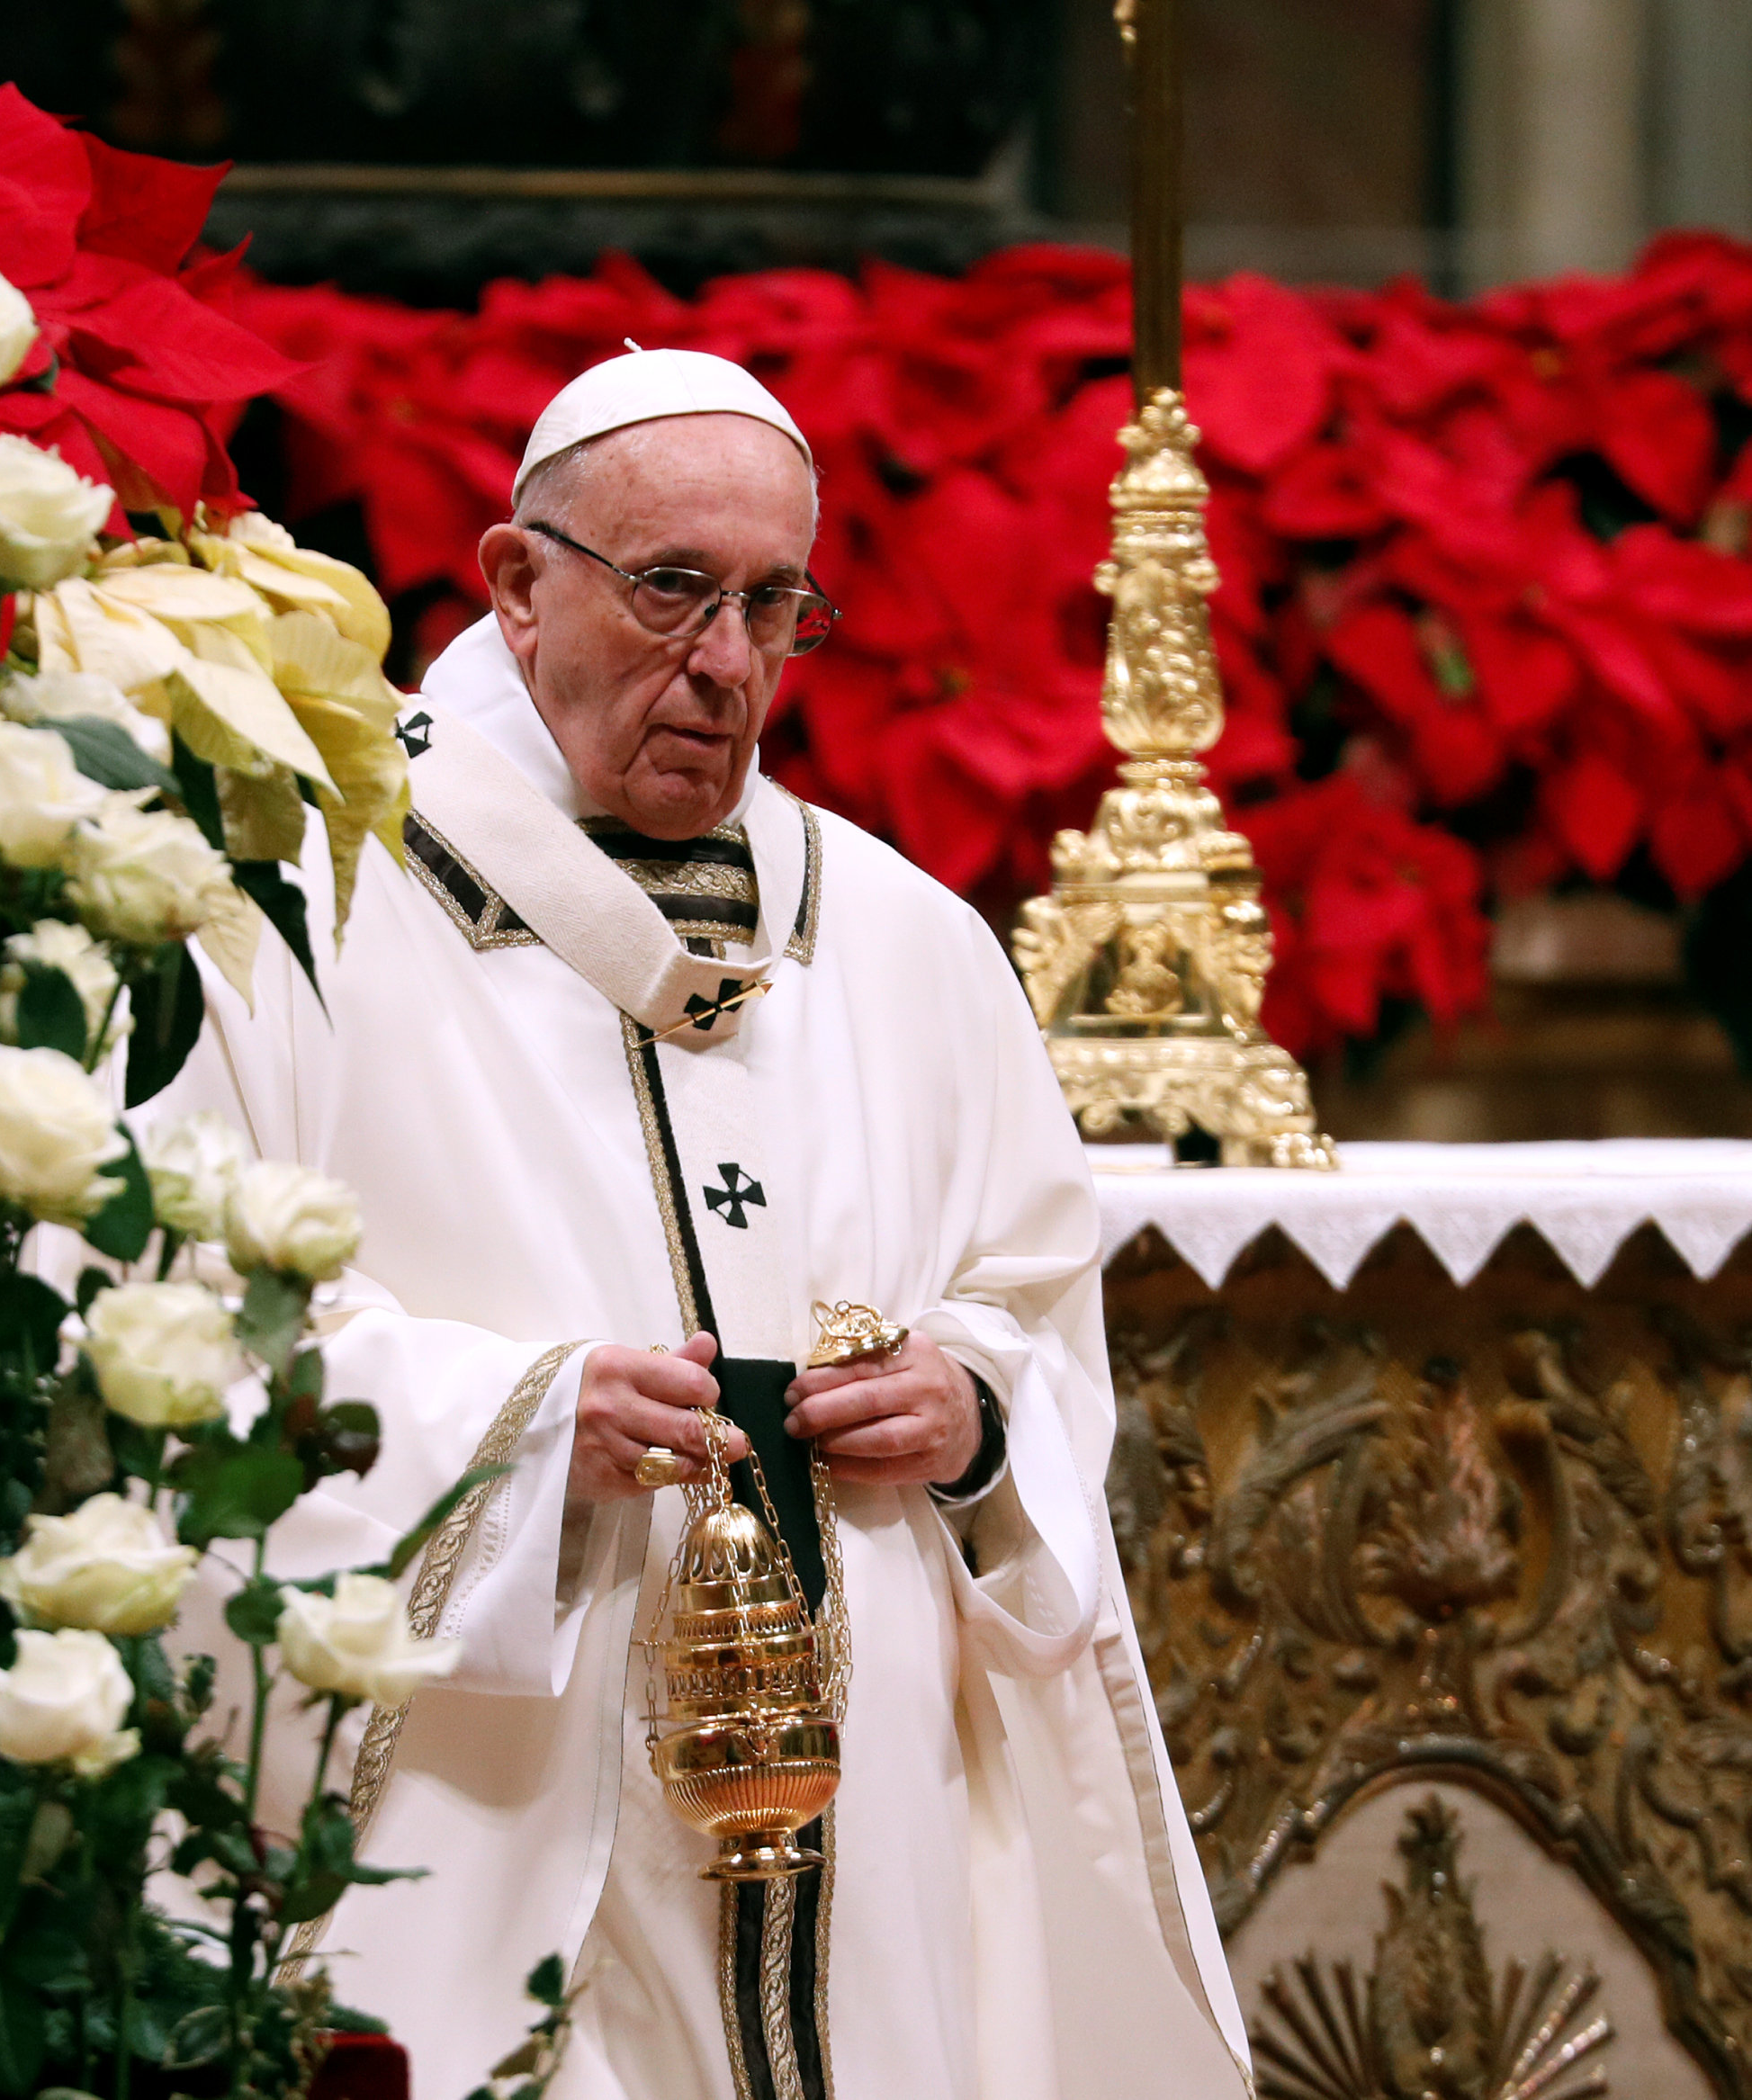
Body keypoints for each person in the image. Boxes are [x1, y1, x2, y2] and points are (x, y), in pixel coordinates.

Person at [139, 351, 1247, 2100]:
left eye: (773, 606)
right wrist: (520, 1425)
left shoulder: (902, 937)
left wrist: (966, 1409)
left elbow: (1030, 1304)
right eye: (670, 591)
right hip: (496, 1793)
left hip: (867, 1832)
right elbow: (167, 1330)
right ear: (518, 584)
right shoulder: (300, 903)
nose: (727, 663)